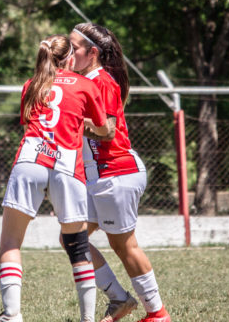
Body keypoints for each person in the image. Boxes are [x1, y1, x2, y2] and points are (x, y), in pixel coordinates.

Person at [0, 34, 111, 322]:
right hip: (67, 166)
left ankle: (12, 315)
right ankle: (88, 319)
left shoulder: (30, 85)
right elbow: (104, 128)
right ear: (70, 58)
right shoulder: (86, 85)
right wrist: (88, 129)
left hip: (30, 159)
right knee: (78, 245)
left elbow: (28, 128)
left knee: (10, 244)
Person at [68, 23, 170, 322]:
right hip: (98, 176)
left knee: (123, 245)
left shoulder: (103, 81)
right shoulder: (82, 79)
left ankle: (157, 314)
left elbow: (108, 132)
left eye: (75, 48)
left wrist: (72, 122)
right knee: (72, 238)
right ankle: (119, 299)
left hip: (116, 173)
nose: (70, 53)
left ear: (93, 53)